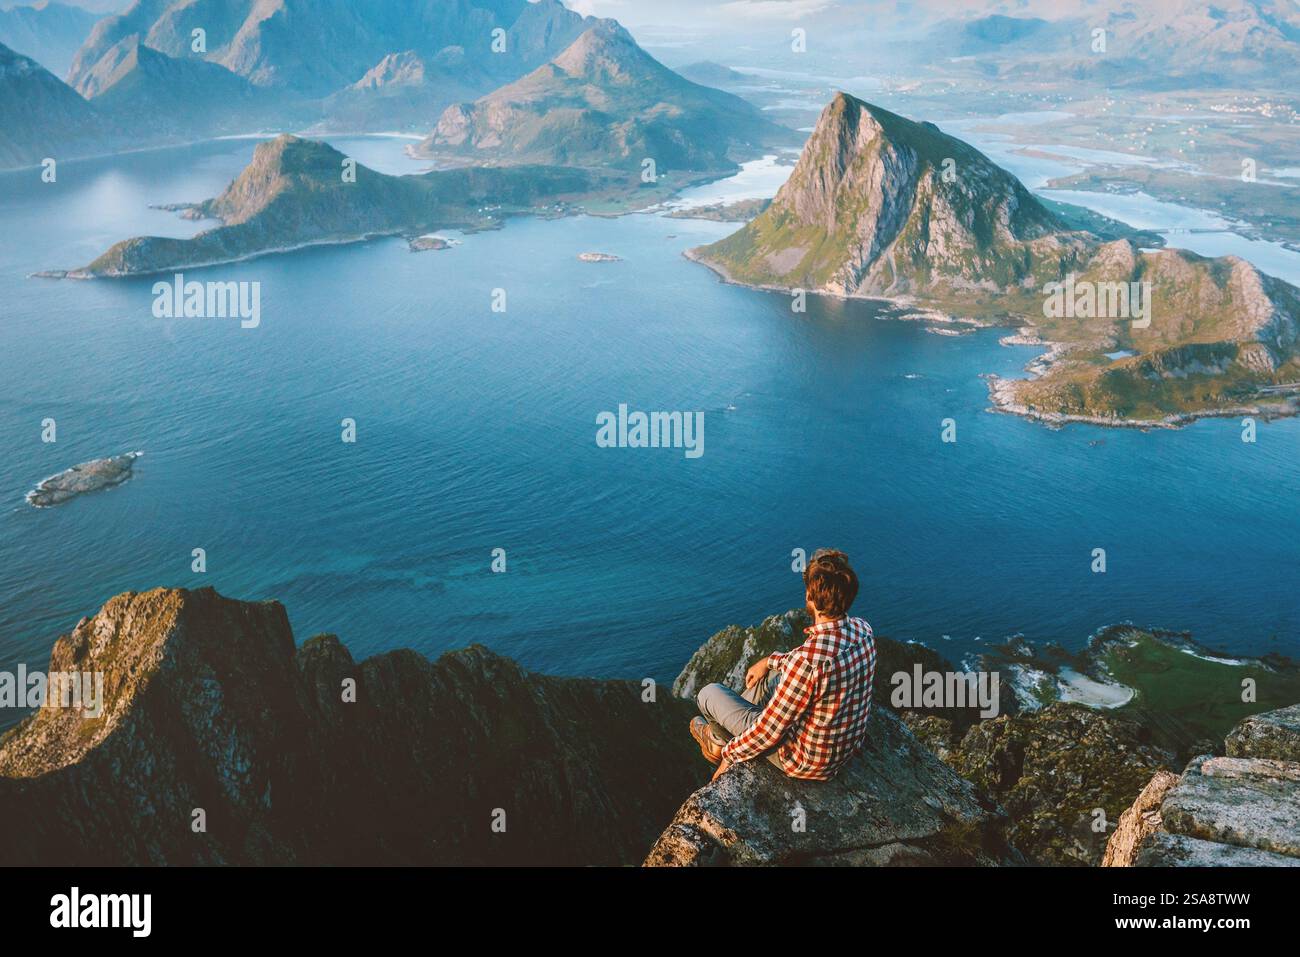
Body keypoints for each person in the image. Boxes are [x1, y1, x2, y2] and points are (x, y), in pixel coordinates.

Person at [690, 549, 876, 782]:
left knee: (708, 693)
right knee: (771, 679)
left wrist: (730, 756)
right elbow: (808, 663)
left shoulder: (807, 663)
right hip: (843, 747)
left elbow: (767, 734)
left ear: (810, 595)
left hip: (805, 760)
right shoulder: (863, 631)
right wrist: (769, 661)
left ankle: (719, 743)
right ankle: (722, 734)